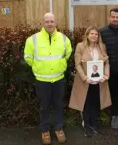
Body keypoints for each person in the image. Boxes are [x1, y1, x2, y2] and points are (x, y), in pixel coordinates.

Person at [24, 13, 72, 145]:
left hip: (58, 79)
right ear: (42, 23)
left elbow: (67, 54)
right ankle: (45, 130)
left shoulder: (64, 39)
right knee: (44, 106)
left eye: (52, 21)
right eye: (47, 21)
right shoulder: (32, 40)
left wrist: (59, 65)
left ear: (56, 23)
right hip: (42, 80)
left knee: (57, 105)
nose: (50, 24)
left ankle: (58, 128)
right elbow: (28, 58)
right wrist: (38, 66)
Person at [69, 26, 111, 137]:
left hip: (99, 81)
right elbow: (77, 64)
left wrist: (106, 75)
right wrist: (85, 78)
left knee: (96, 103)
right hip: (85, 82)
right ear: (87, 35)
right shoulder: (80, 46)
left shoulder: (102, 47)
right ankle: (87, 125)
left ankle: (94, 123)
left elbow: (106, 62)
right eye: (91, 34)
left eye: (96, 34)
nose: (94, 36)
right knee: (86, 104)